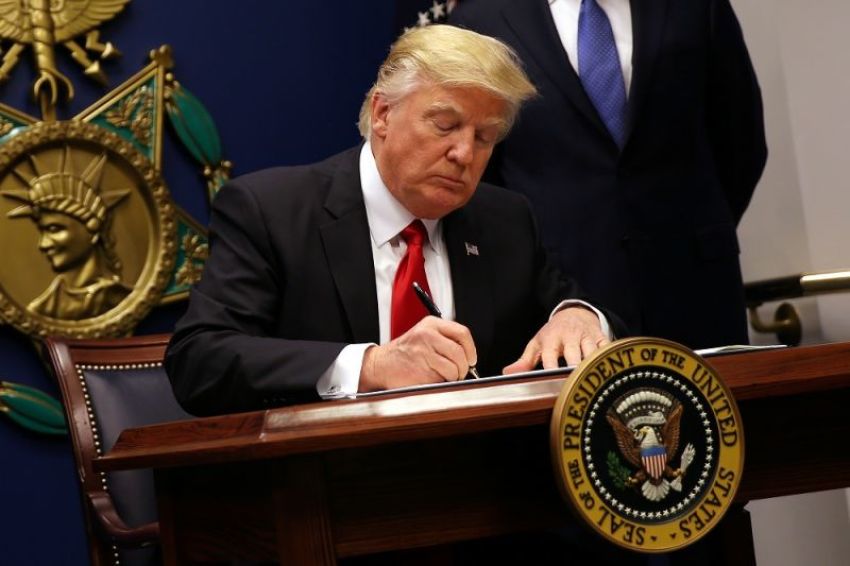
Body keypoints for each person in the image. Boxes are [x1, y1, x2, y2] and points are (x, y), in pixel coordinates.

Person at [165, 24, 627, 417]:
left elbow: (577, 311)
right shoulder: (272, 210)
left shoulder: (504, 220)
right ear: (383, 113)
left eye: (484, 137)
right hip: (326, 481)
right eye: (445, 126)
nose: (464, 153)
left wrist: (579, 317)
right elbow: (200, 360)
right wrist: (370, 367)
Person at [449, 0, 767, 349]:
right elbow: (484, 176)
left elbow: (740, 140)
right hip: (560, 301)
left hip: (695, 288)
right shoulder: (483, 18)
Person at [2, 149, 131, 319]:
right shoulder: (41, 309)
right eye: (42, 231)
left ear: (93, 229)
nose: (43, 244)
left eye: (54, 229)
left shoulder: (121, 299)